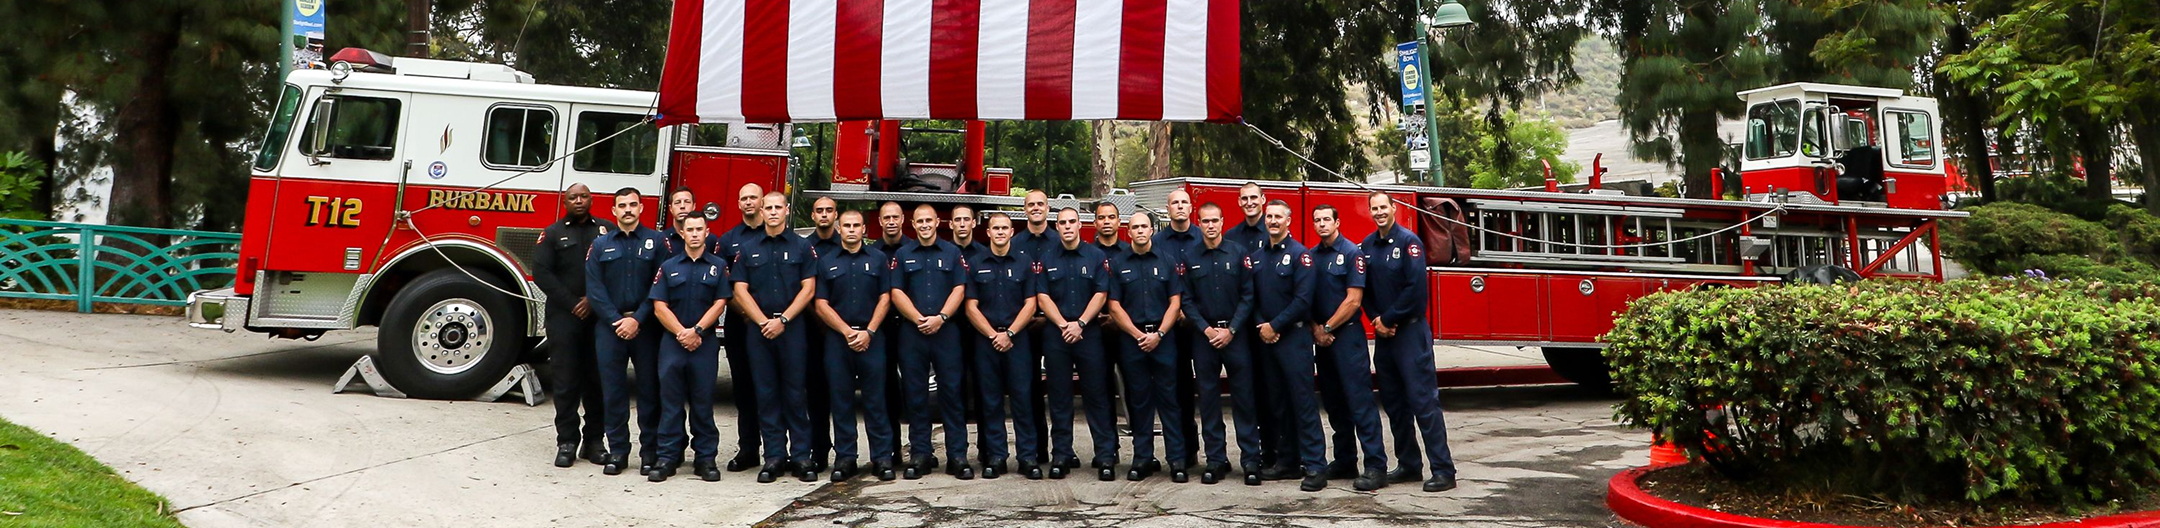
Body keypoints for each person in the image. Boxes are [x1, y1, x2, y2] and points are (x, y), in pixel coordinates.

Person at [1360, 192, 1459, 493]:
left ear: (1394, 209)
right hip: (1385, 337)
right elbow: (1364, 290)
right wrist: (1377, 319)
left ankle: (1443, 470)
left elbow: (1416, 291)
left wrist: (1387, 318)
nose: (1379, 212)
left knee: (1423, 403)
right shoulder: (1366, 246)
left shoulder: (1409, 243)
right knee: (1394, 403)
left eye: (1383, 207)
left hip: (1410, 334)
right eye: (1373, 208)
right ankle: (1409, 464)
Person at [731, 192, 819, 483]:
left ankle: (802, 456)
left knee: (795, 393)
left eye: (777, 207)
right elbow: (739, 289)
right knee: (766, 394)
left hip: (791, 328)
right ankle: (774, 457)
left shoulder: (802, 247)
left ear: (786, 210)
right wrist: (761, 321)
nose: (771, 212)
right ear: (761, 210)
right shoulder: (748, 247)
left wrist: (783, 320)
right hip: (759, 330)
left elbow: (808, 289)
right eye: (767, 207)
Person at [583, 187, 668, 476]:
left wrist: (638, 319)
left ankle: (649, 453)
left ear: (642, 208)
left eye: (633, 204)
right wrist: (616, 320)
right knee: (614, 392)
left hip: (646, 328)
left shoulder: (657, 242)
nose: (628, 209)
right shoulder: (600, 245)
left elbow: (660, 286)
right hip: (610, 328)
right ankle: (618, 452)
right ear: (614, 211)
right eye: (622, 205)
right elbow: (594, 289)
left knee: (649, 391)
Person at [812, 210, 899, 482]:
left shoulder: (878, 259)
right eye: (846, 225)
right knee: (841, 401)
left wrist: (869, 331)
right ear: (839, 228)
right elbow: (820, 304)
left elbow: (886, 297)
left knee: (876, 400)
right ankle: (845, 458)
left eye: (856, 225)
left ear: (864, 229)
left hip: (872, 338)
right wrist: (847, 331)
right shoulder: (826, 262)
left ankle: (882, 458)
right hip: (839, 340)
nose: (851, 230)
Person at [1308, 204, 1390, 492]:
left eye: (1326, 219)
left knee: (1360, 403)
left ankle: (1376, 466)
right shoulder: (1311, 256)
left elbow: (1354, 300)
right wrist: (1316, 330)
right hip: (1322, 339)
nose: (1321, 224)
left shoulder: (1352, 254)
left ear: (1337, 221)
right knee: (1333, 403)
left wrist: (1327, 328)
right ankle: (1344, 460)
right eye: (1316, 220)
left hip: (1347, 338)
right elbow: (1306, 298)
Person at [1248, 200, 1328, 492]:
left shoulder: (1300, 256)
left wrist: (1275, 326)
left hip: (1293, 339)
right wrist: (1262, 327)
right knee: (1278, 404)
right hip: (1266, 339)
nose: (1272, 221)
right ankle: (1288, 462)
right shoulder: (1256, 258)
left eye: (1278, 216)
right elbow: (1251, 298)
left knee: (1303, 403)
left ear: (1289, 221)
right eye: (1269, 216)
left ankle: (1316, 466)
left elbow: (1303, 301)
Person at [1179, 202, 1262, 485]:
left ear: (1223, 221)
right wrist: (1205, 329)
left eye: (1215, 220)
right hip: (1204, 340)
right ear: (1198, 223)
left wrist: (1232, 329)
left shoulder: (1239, 253)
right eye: (1205, 221)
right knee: (1209, 401)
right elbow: (1186, 300)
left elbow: (1248, 296)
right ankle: (1215, 460)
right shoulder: (1190, 257)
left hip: (1235, 337)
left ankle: (1251, 459)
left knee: (1245, 400)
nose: (1210, 225)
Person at [890, 204, 974, 480]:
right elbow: (896, 291)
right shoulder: (903, 255)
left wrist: (941, 317)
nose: (924, 224)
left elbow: (959, 289)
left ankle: (957, 456)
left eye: (929, 220)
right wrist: (917, 318)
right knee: (915, 395)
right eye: (919, 221)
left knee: (952, 393)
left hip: (946, 332)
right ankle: (920, 454)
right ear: (912, 225)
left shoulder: (952, 253)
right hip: (912, 333)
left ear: (938, 222)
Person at [646, 215, 731, 483]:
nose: (694, 234)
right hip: (673, 343)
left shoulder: (718, 267)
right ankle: (667, 458)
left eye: (699, 230)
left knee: (703, 404)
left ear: (707, 232)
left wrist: (697, 331)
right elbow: (659, 306)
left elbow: (720, 303)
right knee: (671, 405)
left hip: (704, 344)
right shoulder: (668, 267)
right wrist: (682, 333)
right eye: (689, 230)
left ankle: (705, 459)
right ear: (681, 233)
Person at [1107, 210, 1186, 482]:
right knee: (1138, 401)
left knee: (1169, 401)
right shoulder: (1118, 263)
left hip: (1163, 340)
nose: (1140, 231)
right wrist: (1137, 334)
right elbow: (1114, 305)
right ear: (1128, 232)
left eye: (1145, 226)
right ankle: (1142, 458)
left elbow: (1175, 302)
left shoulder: (1167, 261)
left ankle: (1176, 460)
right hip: (1132, 341)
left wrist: (1160, 334)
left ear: (1152, 230)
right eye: (1135, 227)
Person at [1036, 207, 1114, 480]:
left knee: (1096, 396)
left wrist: (1079, 323)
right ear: (1056, 227)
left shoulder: (1095, 256)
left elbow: (1101, 293)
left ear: (1080, 225)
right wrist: (1063, 325)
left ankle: (1104, 456)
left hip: (1087, 334)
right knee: (1059, 397)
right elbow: (1042, 297)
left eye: (1072, 222)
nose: (1067, 226)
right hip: (1057, 335)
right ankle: (1062, 455)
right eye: (1062, 223)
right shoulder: (1046, 259)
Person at [533, 183, 606, 469]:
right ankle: (567, 442)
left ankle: (594, 442)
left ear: (591, 199)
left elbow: (614, 271)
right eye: (573, 197)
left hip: (599, 317)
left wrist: (593, 299)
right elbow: (541, 272)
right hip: (564, 317)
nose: (579, 201)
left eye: (584, 196)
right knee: (565, 382)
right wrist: (573, 302)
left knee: (597, 381)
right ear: (565, 201)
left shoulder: (606, 230)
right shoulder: (552, 234)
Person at [963, 214, 1040, 480]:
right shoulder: (975, 264)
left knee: (1022, 399)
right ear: (988, 231)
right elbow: (970, 306)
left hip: (1017, 340)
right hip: (986, 341)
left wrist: (1009, 333)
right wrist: (992, 335)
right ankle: (996, 457)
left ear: (1011, 231)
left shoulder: (1024, 263)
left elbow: (1031, 304)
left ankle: (1027, 456)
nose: (999, 232)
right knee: (991, 400)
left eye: (1004, 228)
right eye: (995, 228)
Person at [717, 183, 767, 473]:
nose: (749, 202)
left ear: (763, 202)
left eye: (753, 197)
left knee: (775, 389)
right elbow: (725, 286)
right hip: (741, 324)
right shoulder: (728, 241)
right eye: (743, 198)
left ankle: (779, 450)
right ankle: (749, 449)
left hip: (775, 326)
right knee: (744, 389)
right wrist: (749, 314)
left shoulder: (776, 235)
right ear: (738, 203)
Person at [1152, 189, 1202, 470]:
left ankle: (1216, 455)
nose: (1180, 206)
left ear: (1191, 207)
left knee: (1206, 391)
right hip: (1170, 327)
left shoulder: (1203, 237)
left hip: (1200, 326)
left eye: (1184, 202)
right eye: (1174, 203)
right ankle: (1185, 451)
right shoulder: (1157, 242)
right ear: (1168, 209)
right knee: (1178, 390)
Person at [1010, 190, 1055, 466]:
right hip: (1024, 327)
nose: (1035, 208)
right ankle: (1036, 450)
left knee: (1059, 392)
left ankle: (1063, 451)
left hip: (1053, 325)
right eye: (1030, 205)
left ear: (1048, 209)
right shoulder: (1015, 244)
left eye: (1040, 204)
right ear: (1024, 210)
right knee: (1028, 390)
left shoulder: (1060, 240)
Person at [800, 197, 841, 474]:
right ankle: (819, 449)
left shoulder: (848, 243)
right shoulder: (805, 248)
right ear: (813, 216)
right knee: (815, 394)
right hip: (812, 331)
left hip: (843, 332)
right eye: (819, 211)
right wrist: (821, 322)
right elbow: (804, 289)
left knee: (843, 395)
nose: (824, 215)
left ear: (835, 215)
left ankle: (846, 453)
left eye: (829, 210)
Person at [950, 206, 991, 470]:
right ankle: (958, 453)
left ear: (974, 223)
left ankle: (987, 451)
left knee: (985, 392)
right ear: (951, 224)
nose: (963, 224)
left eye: (967, 219)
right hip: (950, 332)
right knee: (954, 392)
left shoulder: (984, 256)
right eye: (958, 220)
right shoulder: (947, 253)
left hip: (980, 333)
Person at [1089, 201, 1133, 448]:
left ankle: (1143, 451)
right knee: (1100, 391)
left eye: (1111, 217)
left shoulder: (1129, 252)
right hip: (1096, 330)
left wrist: (1120, 320)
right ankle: (1107, 448)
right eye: (1102, 218)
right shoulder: (1088, 254)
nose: (1106, 222)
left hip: (1126, 331)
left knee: (1135, 389)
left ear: (1119, 222)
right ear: (1095, 223)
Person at [875, 202, 909, 466]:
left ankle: (921, 451)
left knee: (914, 389)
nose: (891, 221)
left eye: (895, 217)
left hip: (909, 328)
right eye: (886, 217)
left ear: (902, 220)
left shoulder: (911, 250)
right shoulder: (871, 252)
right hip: (881, 329)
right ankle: (892, 450)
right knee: (884, 390)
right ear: (879, 220)